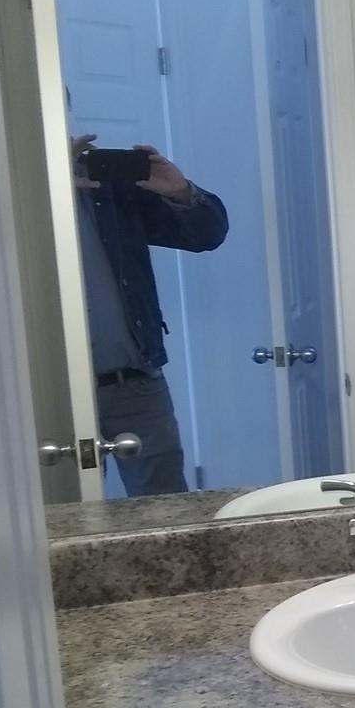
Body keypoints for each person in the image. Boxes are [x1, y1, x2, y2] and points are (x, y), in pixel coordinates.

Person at [71, 134, 228, 497]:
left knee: (163, 507)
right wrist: (44, 189)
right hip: (45, 394)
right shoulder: (2, 191)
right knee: (54, 515)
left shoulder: (107, 185)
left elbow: (207, 234)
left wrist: (180, 192)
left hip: (135, 385)